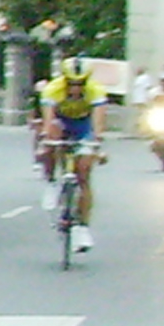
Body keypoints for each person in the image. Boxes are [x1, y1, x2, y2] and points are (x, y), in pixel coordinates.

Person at [39, 57, 106, 252]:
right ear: (64, 80)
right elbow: (49, 120)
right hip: (61, 122)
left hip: (83, 126)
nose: (75, 88)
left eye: (80, 84)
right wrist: (47, 142)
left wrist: (97, 144)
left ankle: (82, 227)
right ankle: (51, 182)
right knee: (50, 138)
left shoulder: (96, 90)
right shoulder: (53, 89)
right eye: (71, 83)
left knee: (83, 174)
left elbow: (98, 124)